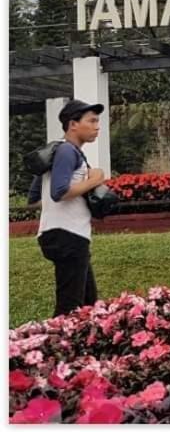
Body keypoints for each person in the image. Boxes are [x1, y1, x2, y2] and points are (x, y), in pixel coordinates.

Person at [26, 99, 107, 317]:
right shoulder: (67, 151)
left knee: (89, 303)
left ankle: (86, 348)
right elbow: (59, 192)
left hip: (60, 234)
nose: (97, 126)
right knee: (69, 309)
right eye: (91, 121)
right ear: (73, 124)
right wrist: (95, 179)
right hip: (68, 236)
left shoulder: (56, 153)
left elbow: (34, 197)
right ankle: (49, 348)